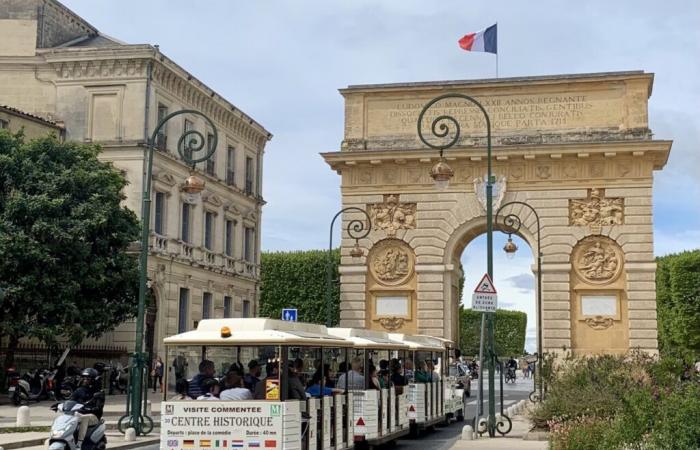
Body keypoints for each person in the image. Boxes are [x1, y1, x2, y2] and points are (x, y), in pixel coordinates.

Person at [70, 368, 105, 450]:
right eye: (84, 378)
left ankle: (79, 443)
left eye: (88, 378)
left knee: (84, 418)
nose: (85, 380)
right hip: (79, 414)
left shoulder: (98, 392)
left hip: (93, 416)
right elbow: (70, 400)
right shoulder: (79, 390)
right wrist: (60, 405)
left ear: (93, 380)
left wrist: (89, 408)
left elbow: (99, 407)